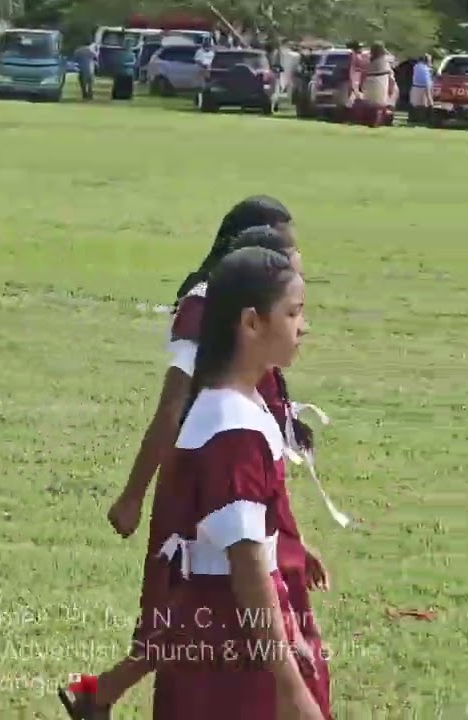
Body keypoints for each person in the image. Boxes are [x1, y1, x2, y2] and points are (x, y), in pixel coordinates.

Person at [60, 201, 303, 718]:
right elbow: (173, 405)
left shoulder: (249, 355)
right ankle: (100, 692)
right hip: (203, 476)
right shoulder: (207, 312)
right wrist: (133, 494)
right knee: (193, 601)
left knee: (194, 607)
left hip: (232, 475)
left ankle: (98, 692)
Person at [148, 245, 324, 720]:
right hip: (229, 649)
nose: (303, 326)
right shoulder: (233, 427)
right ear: (251, 323)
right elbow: (245, 566)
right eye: (293, 313)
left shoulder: (240, 406)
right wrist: (289, 683)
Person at [409, 54, 434, 125]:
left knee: (414, 103)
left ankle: (413, 118)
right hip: (425, 86)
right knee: (428, 102)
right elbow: (427, 79)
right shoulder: (425, 68)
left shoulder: (416, 66)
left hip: (416, 86)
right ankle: (429, 117)